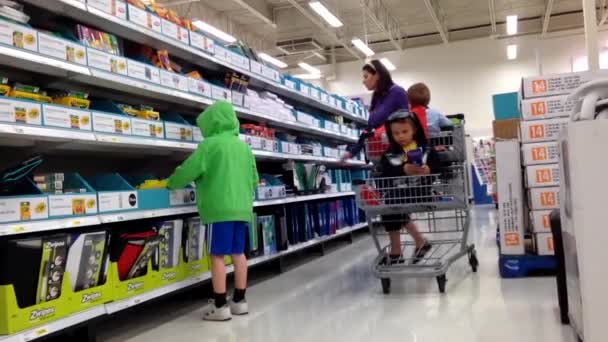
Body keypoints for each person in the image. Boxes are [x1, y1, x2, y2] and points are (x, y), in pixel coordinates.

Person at [166, 100, 258, 321]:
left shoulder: (210, 145)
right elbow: (254, 179)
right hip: (242, 208)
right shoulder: (244, 147)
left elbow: (189, 170)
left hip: (220, 209)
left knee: (217, 255)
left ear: (211, 123)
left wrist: (170, 183)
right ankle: (240, 301)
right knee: (239, 253)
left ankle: (220, 306)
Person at [378, 110, 435, 264]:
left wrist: (430, 169)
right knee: (389, 207)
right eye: (396, 133)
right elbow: (384, 173)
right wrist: (402, 169)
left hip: (421, 191)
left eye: (404, 131)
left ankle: (399, 251)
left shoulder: (426, 149)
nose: (400, 136)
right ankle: (410, 245)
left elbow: (438, 166)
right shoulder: (390, 153)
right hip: (398, 193)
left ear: (414, 130)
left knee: (392, 205)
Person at [342, 59, 409, 160]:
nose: (363, 81)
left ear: (377, 75)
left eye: (366, 76)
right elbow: (368, 130)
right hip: (379, 155)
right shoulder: (377, 98)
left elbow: (406, 121)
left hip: (398, 154)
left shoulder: (397, 92)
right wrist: (351, 152)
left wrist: (386, 129)